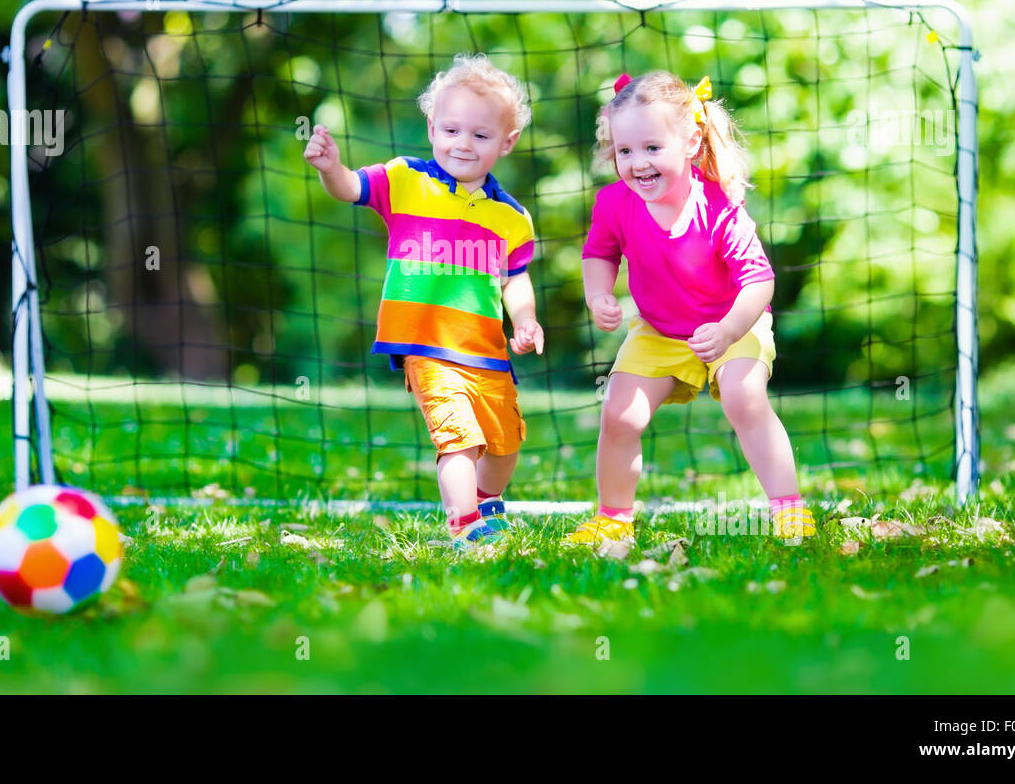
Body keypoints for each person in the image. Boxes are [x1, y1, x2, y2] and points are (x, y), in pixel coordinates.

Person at [303, 53, 544, 551]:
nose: (463, 143)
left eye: (480, 135)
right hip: (428, 346)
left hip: (487, 351)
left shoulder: (512, 216)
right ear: (432, 127)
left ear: (507, 141)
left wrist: (526, 320)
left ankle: (487, 502)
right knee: (459, 439)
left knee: (504, 445)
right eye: (452, 130)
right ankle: (465, 526)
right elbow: (350, 188)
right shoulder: (404, 180)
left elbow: (514, 278)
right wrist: (331, 167)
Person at [568, 71, 815, 548]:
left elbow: (759, 280)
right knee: (620, 414)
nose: (638, 163)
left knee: (746, 399)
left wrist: (726, 332)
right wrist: (597, 295)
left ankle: (790, 511)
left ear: (690, 141)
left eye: (652, 148)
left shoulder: (719, 203)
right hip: (659, 331)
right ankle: (613, 518)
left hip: (733, 321)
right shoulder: (615, 202)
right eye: (625, 151)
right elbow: (599, 254)